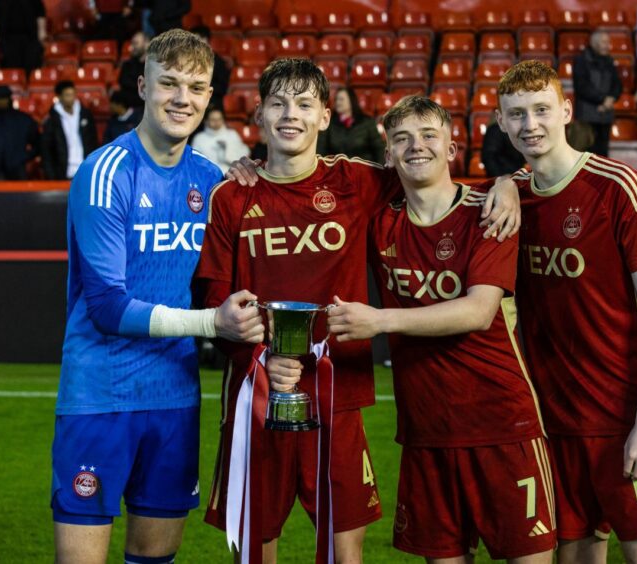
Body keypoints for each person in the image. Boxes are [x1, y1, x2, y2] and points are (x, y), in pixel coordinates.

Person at [196, 58, 519, 563]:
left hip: (337, 393)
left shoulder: (358, 181)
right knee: (254, 551)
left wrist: (506, 182)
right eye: (278, 103)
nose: (290, 115)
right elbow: (213, 304)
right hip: (256, 394)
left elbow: (432, 173)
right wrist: (257, 350)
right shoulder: (231, 195)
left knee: (346, 552)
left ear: (325, 117)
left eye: (304, 104)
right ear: (258, 114)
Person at [51, 30, 264, 564]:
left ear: (209, 96)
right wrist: (212, 325)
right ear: (143, 85)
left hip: (174, 396)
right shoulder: (104, 172)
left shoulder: (211, 179)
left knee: (155, 559)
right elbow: (106, 307)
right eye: (168, 83)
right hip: (101, 397)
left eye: (195, 87)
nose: (181, 99)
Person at [327, 95, 555, 563]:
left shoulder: (488, 211)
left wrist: (379, 321)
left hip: (502, 424)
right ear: (388, 154)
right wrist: (251, 163)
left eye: (430, 135)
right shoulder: (379, 222)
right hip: (426, 432)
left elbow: (477, 311)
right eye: (403, 139)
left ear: (452, 148)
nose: (417, 147)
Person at [494, 60, 637, 564]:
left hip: (624, 417)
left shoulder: (618, 186)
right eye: (516, 114)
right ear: (500, 122)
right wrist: (503, 182)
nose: (529, 124)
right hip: (553, 420)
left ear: (566, 110)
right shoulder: (511, 199)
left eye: (540, 110)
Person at [573, 29, 622, 157]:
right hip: (586, 117)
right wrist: (602, 100)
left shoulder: (609, 60)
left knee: (602, 158)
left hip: (605, 116)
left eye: (608, 42)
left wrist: (611, 98)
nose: (608, 46)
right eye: (604, 42)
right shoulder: (581, 60)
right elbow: (582, 87)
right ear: (594, 43)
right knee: (583, 157)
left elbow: (617, 84)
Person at [41, 80, 99, 180]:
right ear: (59, 97)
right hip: (62, 173)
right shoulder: (51, 120)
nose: (71, 98)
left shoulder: (86, 115)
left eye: (73, 94)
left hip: (85, 170)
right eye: (67, 95)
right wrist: (51, 175)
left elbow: (93, 141)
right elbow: (46, 150)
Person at [316, 86, 386, 164]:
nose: (338, 102)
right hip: (337, 172)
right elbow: (320, 151)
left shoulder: (367, 122)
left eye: (341, 99)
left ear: (351, 101)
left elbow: (379, 148)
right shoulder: (329, 123)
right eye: (336, 99)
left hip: (364, 171)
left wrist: (381, 170)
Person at [0, 0, 46, 76]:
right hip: (7, 41)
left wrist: (41, 38)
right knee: (11, 72)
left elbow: (40, 15)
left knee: (31, 71)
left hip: (31, 40)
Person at [191, 106, 249, 173]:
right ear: (206, 121)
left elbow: (243, 155)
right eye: (213, 119)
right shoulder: (199, 138)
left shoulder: (232, 134)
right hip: (208, 175)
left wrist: (228, 148)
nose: (216, 122)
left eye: (219, 119)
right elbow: (196, 162)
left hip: (232, 174)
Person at [190, 25, 230, 110]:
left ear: (205, 40)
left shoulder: (218, 62)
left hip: (212, 105)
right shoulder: (187, 61)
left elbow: (223, 88)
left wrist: (202, 86)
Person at [119, 30, 149, 109]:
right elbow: (124, 84)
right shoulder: (127, 65)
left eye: (136, 43)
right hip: (128, 108)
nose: (132, 47)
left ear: (146, 44)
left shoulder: (155, 66)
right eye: (132, 43)